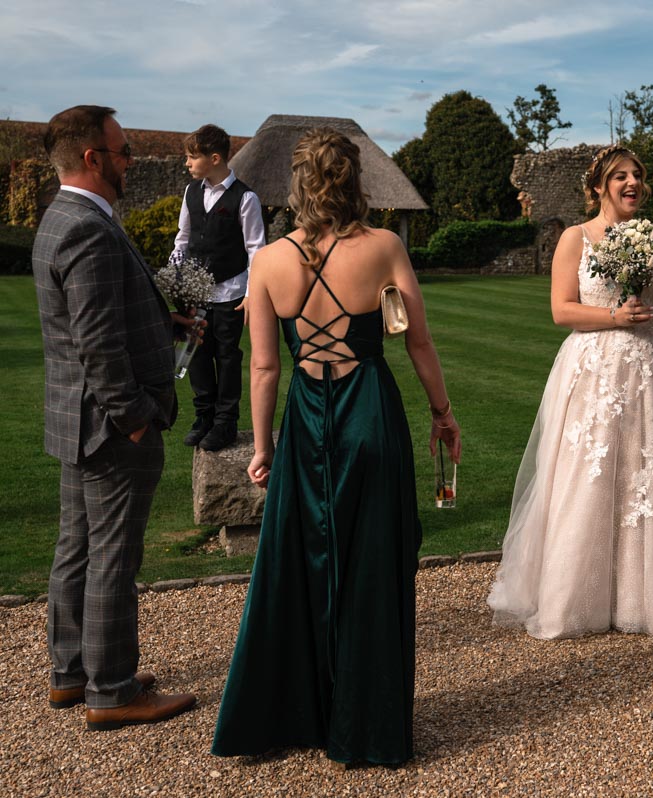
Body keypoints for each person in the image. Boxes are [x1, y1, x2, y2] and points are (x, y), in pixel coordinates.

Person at [210, 129, 460, 765]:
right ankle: (367, 728)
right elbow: (418, 342)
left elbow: (264, 369)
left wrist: (262, 447)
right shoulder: (383, 247)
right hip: (369, 414)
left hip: (305, 420)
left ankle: (293, 716)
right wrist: (442, 412)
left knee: (299, 565)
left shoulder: (266, 262)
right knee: (375, 563)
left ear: (296, 184)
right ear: (356, 181)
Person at [487, 145, 653, 641]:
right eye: (620, 176)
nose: (632, 183)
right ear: (599, 186)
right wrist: (613, 317)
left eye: (638, 176)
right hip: (597, 371)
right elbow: (562, 311)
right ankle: (579, 596)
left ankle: (647, 593)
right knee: (592, 473)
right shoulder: (575, 238)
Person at [33, 105, 197, 730]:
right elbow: (98, 344)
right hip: (108, 425)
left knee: (76, 546)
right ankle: (112, 690)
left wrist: (166, 321)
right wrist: (133, 416)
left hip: (76, 420)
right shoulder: (88, 229)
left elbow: (97, 322)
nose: (132, 161)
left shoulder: (64, 218)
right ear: (93, 158)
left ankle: (70, 674)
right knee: (112, 556)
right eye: (124, 150)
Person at [173, 123, 267, 452]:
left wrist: (253, 293)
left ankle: (225, 423)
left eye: (192, 157)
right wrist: (175, 276)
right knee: (195, 355)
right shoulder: (191, 192)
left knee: (228, 358)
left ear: (214, 158)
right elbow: (182, 239)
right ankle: (204, 417)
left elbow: (256, 249)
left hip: (231, 292)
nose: (187, 163)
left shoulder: (246, 198)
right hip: (195, 291)